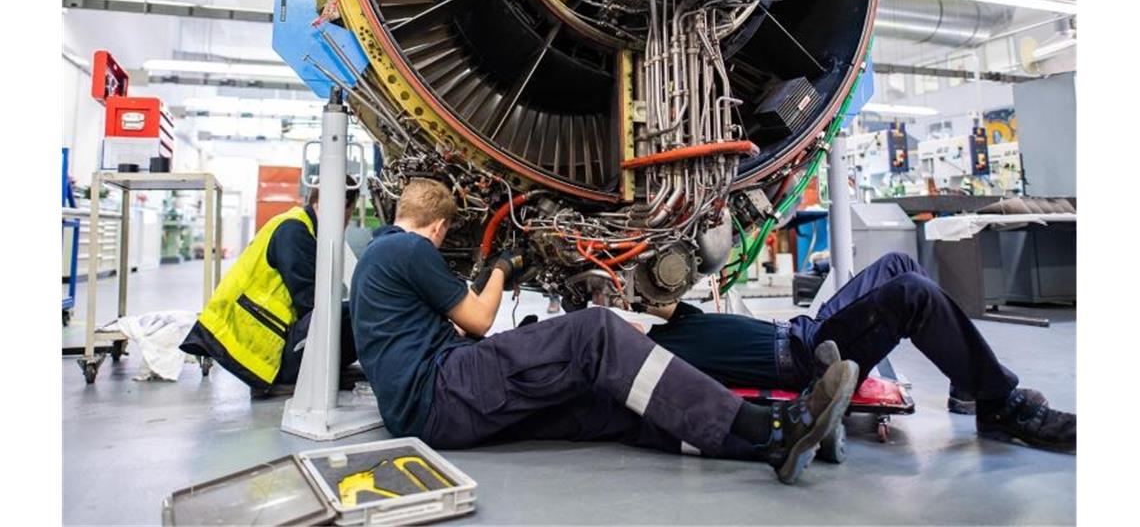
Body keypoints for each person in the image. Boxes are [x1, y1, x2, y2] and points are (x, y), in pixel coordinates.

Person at [350, 179, 860, 485]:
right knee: (595, 332)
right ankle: (774, 426)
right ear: (438, 227)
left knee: (604, 402)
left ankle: (773, 436)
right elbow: (480, 322)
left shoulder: (375, 261)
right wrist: (505, 266)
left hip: (430, 412)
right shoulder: (409, 250)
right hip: (444, 390)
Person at [641, 252, 1076, 453]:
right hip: (811, 358)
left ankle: (969, 382)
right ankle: (1001, 404)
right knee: (912, 295)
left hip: (803, 330)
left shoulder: (678, 319)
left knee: (898, 263)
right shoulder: (646, 347)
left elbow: (661, 296)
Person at [181, 181, 360, 396]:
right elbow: (313, 302)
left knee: (348, 311)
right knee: (357, 312)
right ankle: (296, 377)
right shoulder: (294, 231)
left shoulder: (294, 224)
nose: (348, 221)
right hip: (264, 356)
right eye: (351, 211)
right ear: (339, 206)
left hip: (259, 347)